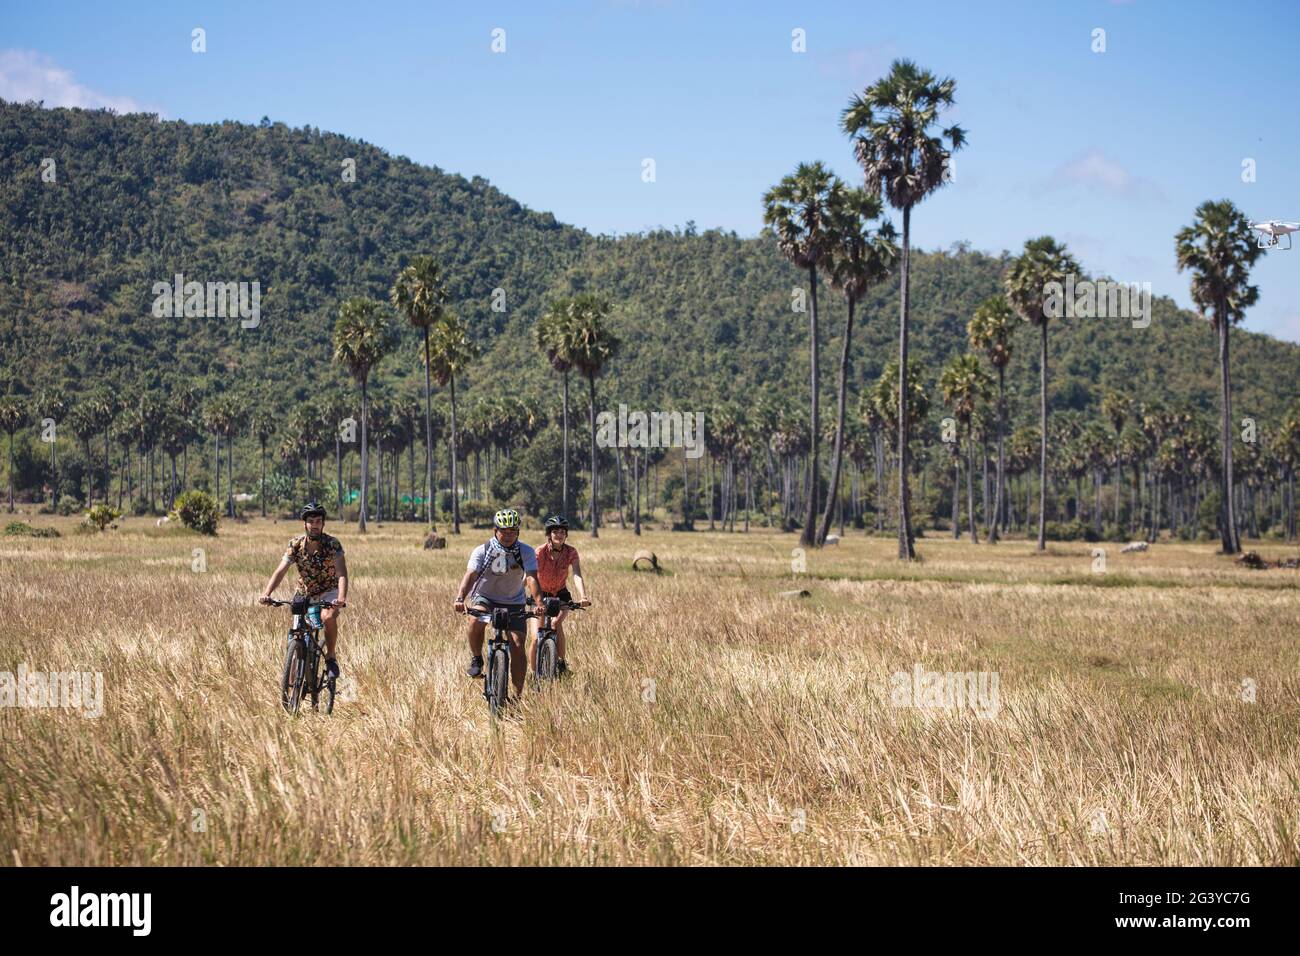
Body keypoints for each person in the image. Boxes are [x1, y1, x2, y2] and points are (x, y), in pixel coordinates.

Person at [453, 507, 541, 698]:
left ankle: (517, 697)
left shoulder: (525, 551)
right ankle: (477, 659)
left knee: (517, 646)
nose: (508, 535)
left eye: (512, 531)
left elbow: (532, 578)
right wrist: (460, 598)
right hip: (486, 598)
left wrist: (539, 602)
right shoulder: (482, 550)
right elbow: (471, 574)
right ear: (495, 531)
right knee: (475, 620)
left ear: (518, 532)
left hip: (514, 602)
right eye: (504, 531)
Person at [259, 502, 349, 679]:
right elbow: (280, 571)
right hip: (304, 593)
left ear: (323, 524)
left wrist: (341, 597)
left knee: (328, 617)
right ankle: (296, 675)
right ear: (304, 524)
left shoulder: (332, 544)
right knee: (298, 633)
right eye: (311, 521)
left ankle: (330, 656)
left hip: (329, 591)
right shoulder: (295, 545)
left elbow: (342, 573)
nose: (314, 525)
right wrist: (267, 593)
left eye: (318, 521)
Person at [531, 514, 590, 676]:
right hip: (540, 594)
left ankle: (561, 661)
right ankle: (534, 673)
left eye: (562, 532)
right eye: (555, 531)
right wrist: (518, 594)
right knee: (536, 637)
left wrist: (583, 596)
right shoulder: (539, 552)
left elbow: (577, 575)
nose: (559, 535)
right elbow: (529, 576)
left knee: (556, 623)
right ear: (549, 534)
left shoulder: (571, 552)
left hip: (561, 594)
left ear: (566, 535)